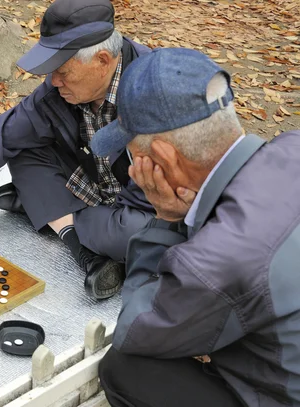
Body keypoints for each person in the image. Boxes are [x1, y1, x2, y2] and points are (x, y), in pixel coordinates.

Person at [0, 0, 155, 300]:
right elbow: (4, 135)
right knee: (23, 146)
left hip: (145, 206)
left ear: (102, 61)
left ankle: (51, 213)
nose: (53, 81)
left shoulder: (156, 93)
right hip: (93, 180)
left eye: (62, 71)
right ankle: (80, 246)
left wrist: (71, 213)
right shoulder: (59, 88)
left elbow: (159, 210)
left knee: (137, 238)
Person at [93, 47, 300, 407]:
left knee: (124, 368)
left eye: (131, 153)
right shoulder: (292, 145)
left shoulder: (217, 260)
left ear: (165, 159)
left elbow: (135, 329)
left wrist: (166, 220)